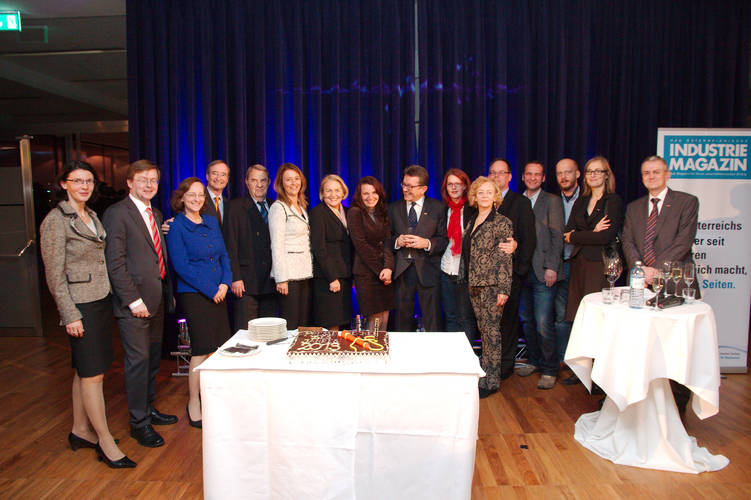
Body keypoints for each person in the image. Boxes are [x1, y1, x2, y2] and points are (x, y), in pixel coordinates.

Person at [40, 160, 135, 468]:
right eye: (77, 181)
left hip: (100, 300)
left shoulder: (91, 215)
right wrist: (69, 315)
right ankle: (105, 440)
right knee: (93, 375)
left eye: (89, 181)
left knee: (86, 370)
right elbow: (54, 275)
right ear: (64, 184)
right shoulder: (56, 220)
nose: (84, 186)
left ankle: (80, 430)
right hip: (79, 306)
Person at [103, 159, 177, 449]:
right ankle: (138, 423)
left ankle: (148, 409)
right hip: (135, 304)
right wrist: (133, 300)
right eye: (143, 179)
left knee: (151, 360)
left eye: (154, 180)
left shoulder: (155, 213)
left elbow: (155, 254)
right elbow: (115, 262)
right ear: (129, 182)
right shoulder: (117, 214)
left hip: (156, 298)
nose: (149, 185)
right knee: (137, 362)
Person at [621, 155, 700, 414]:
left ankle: (677, 408)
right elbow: (627, 241)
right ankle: (643, 402)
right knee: (643, 345)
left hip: (675, 281)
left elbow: (684, 241)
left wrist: (657, 270)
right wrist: (641, 268)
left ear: (667, 174)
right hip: (641, 283)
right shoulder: (634, 207)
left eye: (656, 172)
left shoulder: (687, 202)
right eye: (646, 173)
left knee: (677, 348)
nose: (651, 176)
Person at [165, 177, 232, 429]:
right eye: (191, 195)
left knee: (218, 348)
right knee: (200, 350)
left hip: (219, 292)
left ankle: (213, 399)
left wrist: (225, 283)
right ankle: (194, 402)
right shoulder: (176, 226)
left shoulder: (211, 221)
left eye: (200, 195)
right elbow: (181, 266)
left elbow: (224, 256)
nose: (196, 199)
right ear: (182, 197)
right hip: (195, 294)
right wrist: (212, 290)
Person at [461, 177, 513, 398]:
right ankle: (484, 375)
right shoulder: (473, 219)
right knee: (484, 331)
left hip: (492, 285)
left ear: (495, 196)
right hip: (474, 283)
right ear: (474, 196)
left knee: (492, 334)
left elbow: (505, 257)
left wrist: (504, 288)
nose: (484, 196)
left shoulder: (502, 222)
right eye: (480, 192)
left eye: (488, 192)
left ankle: (491, 382)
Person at [516, 161, 565, 389]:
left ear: (544, 178)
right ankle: (534, 360)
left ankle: (549, 368)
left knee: (543, 322)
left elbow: (557, 236)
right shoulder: (518, 201)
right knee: (526, 320)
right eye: (529, 174)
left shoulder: (552, 201)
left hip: (543, 270)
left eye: (537, 174)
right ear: (523, 176)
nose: (532, 178)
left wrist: (552, 266)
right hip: (521, 271)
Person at [487, 158, 536, 379]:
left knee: (507, 322)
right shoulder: (484, 201)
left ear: (510, 176)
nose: (496, 176)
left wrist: (519, 271)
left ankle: (505, 367)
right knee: (489, 323)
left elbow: (529, 239)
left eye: (501, 173)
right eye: (492, 172)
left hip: (510, 275)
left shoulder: (521, 203)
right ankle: (490, 364)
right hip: (486, 276)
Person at [563, 156, 624, 322]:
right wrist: (593, 231)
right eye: (589, 171)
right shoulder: (581, 201)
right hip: (578, 263)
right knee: (579, 316)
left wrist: (577, 235)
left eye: (598, 171)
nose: (593, 175)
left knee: (596, 316)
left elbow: (605, 236)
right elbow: (567, 234)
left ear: (606, 175)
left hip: (600, 265)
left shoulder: (613, 201)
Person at [389, 165, 448, 332]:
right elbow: (386, 239)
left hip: (428, 271)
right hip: (401, 272)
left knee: (432, 322)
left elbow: (444, 240)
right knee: (401, 323)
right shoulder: (393, 208)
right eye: (404, 185)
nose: (405, 189)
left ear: (424, 189)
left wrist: (426, 243)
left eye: (410, 186)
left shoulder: (438, 208)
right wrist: (397, 241)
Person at [224, 164, 277, 331]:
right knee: (246, 333)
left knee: (268, 332)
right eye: (254, 180)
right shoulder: (235, 207)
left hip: (270, 281)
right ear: (247, 182)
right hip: (246, 282)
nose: (259, 185)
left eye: (263, 180)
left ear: (269, 182)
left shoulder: (275, 205)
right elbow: (230, 245)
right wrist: (235, 277)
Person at [268, 163, 313, 330]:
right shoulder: (278, 207)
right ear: (281, 183)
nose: (293, 183)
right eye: (288, 179)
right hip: (288, 276)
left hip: (304, 273)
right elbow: (277, 245)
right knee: (291, 324)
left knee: (303, 324)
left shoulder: (301, 206)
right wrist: (281, 279)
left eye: (296, 179)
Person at [347, 177, 394, 331]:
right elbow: (361, 245)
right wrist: (381, 270)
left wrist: (388, 267)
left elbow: (387, 242)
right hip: (366, 274)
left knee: (384, 317)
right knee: (374, 320)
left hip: (384, 273)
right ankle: (369, 346)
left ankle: (381, 346)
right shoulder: (355, 212)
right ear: (359, 195)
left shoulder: (381, 212)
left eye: (374, 192)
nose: (370, 197)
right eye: (365, 193)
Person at [438, 169, 479, 341]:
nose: (454, 188)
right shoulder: (442, 210)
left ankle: (466, 355)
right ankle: (451, 355)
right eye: (450, 184)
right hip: (446, 269)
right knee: (450, 316)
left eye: (458, 184)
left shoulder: (473, 209)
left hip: (467, 271)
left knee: (465, 317)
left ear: (465, 186)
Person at [310, 175, 353, 330]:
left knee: (344, 324)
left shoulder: (347, 212)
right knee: (331, 324)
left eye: (337, 190)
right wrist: (332, 277)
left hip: (345, 276)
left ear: (343, 192)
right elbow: (319, 248)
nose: (333, 194)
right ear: (322, 193)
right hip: (328, 278)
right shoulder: (318, 213)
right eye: (328, 191)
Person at [554, 158, 581, 386]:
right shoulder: (553, 200)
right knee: (562, 317)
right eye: (560, 173)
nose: (564, 177)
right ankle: (566, 362)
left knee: (583, 317)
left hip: (583, 264)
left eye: (568, 172)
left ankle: (584, 366)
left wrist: (575, 236)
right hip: (559, 263)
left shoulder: (589, 199)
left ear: (577, 174)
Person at [204, 160, 230, 227]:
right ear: (207, 176)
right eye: (214, 173)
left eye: (223, 175)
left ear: (227, 179)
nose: (218, 178)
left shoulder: (229, 204)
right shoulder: (198, 200)